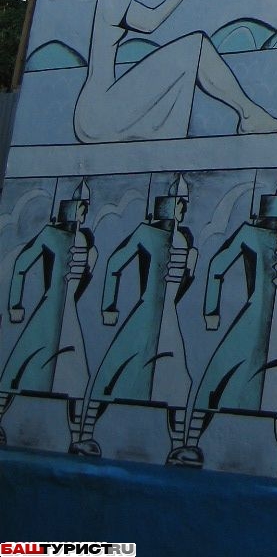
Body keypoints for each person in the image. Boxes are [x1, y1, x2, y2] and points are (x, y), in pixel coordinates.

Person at [73, 0, 277, 144]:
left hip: (95, 111)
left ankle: (248, 113)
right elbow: (150, 22)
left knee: (195, 47)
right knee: (196, 46)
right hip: (100, 112)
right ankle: (249, 114)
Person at [170, 173, 277, 474]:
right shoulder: (252, 234)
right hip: (252, 317)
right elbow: (218, 266)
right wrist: (211, 311)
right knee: (216, 381)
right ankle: (188, 444)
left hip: (276, 321)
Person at [72, 176, 196, 459]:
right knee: (111, 373)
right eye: (180, 203)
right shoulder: (146, 233)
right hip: (144, 313)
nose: (182, 209)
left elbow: (179, 285)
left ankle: (179, 445)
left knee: (179, 381)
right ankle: (85, 435)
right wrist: (109, 306)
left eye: (184, 204)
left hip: (167, 317)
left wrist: (190, 270)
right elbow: (115, 263)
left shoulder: (182, 240)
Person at [0, 181, 95, 454]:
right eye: (80, 206)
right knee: (17, 367)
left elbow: (83, 279)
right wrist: (15, 304)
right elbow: (22, 264)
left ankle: (78, 437)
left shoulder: (85, 242)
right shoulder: (50, 234)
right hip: (47, 309)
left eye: (84, 207)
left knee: (78, 376)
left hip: (69, 313)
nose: (82, 212)